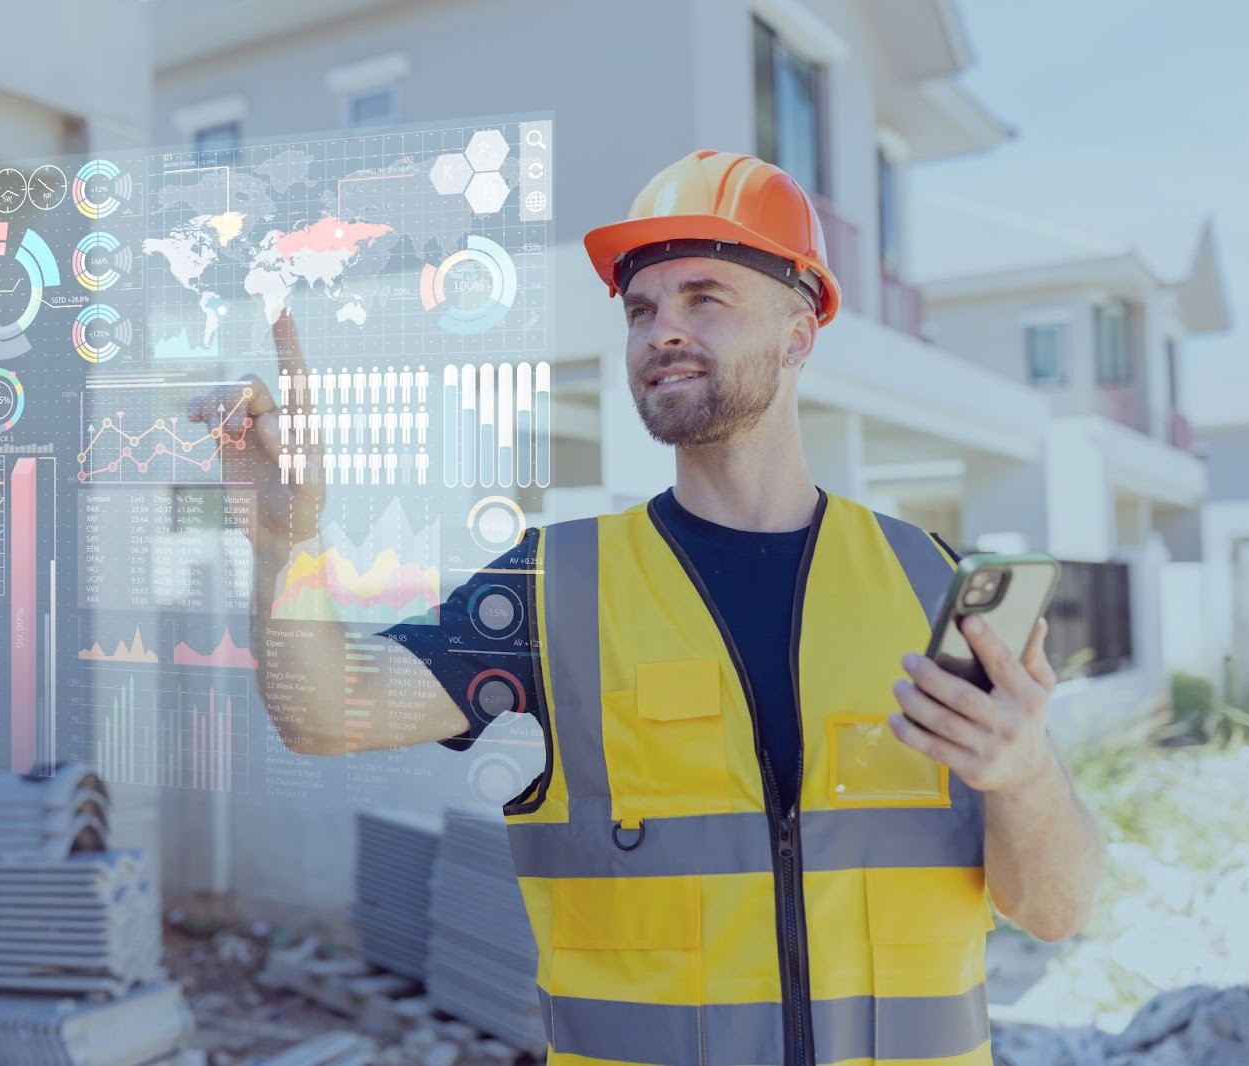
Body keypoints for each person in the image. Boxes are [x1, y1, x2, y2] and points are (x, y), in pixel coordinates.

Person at [192, 150, 1104, 1066]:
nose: (662, 328)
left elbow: (1055, 909)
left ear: (799, 332)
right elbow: (324, 712)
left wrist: (1026, 777)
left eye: (703, 297)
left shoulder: (927, 581)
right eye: (642, 309)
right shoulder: (558, 584)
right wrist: (285, 547)